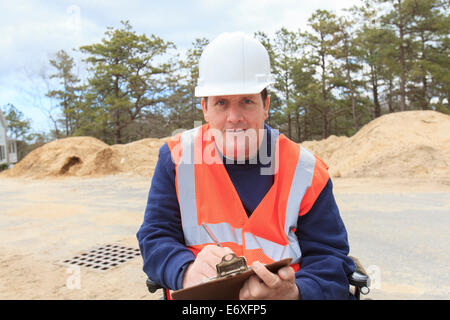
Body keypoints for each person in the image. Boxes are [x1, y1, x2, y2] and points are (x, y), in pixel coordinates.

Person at [137, 31, 355, 300]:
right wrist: (185, 270)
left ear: (266, 106)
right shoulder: (177, 159)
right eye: (221, 103)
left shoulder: (305, 171)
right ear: (205, 108)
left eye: (247, 101)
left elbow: (330, 261)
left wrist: (296, 293)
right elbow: (155, 237)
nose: (234, 117)